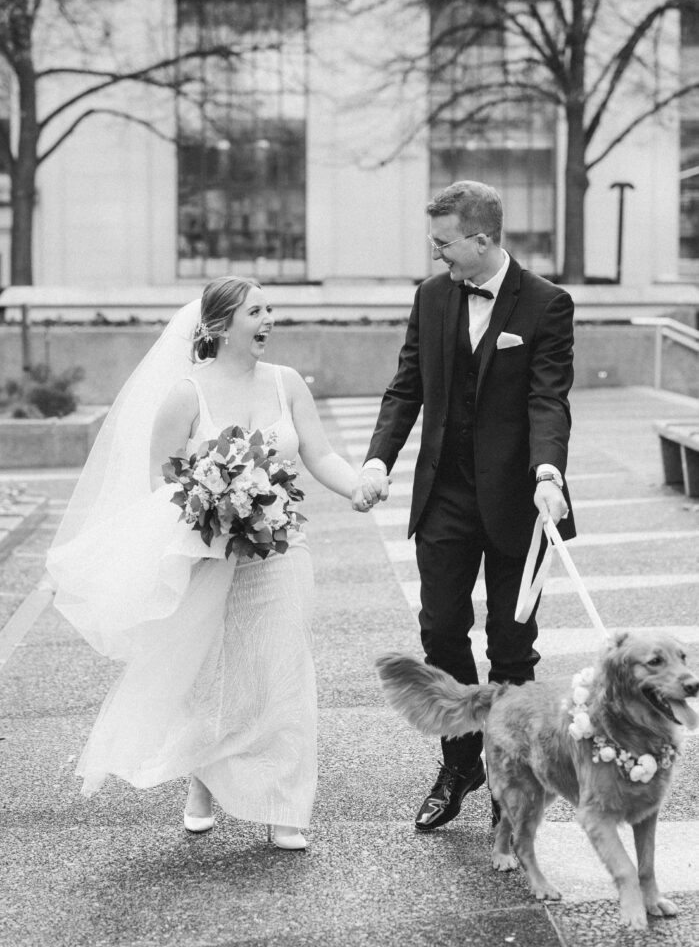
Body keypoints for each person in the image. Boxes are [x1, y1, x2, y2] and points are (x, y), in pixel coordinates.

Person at [47, 276, 365, 851]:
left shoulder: (287, 383)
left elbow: (318, 453)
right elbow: (158, 481)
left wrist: (358, 487)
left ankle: (286, 806)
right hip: (207, 557)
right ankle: (200, 783)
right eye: (255, 311)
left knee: (282, 669)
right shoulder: (186, 395)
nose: (268, 319)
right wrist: (211, 507)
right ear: (219, 326)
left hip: (281, 550)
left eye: (271, 309)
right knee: (210, 675)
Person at [352, 180, 575, 832]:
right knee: (440, 631)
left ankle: (509, 770)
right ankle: (458, 762)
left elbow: (548, 398)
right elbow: (404, 388)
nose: (436, 256)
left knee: (511, 647)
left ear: (481, 240)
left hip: (519, 502)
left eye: (444, 244)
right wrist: (376, 461)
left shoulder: (546, 304)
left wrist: (547, 471)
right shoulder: (429, 298)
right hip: (444, 495)